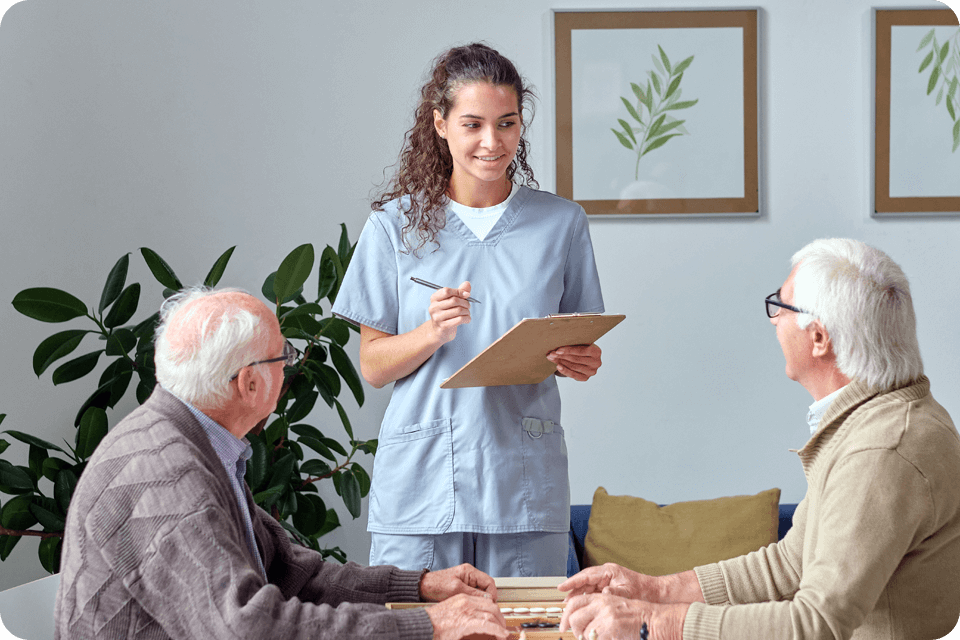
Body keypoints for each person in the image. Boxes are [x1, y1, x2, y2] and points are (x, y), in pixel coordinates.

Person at [558, 238, 960, 640]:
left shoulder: (882, 452)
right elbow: (791, 562)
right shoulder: (877, 421)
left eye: (781, 307)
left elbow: (814, 624)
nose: (773, 320)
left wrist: (655, 622)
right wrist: (654, 590)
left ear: (819, 338)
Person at [54, 288, 508, 640]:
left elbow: (292, 572)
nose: (290, 366)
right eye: (284, 355)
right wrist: (428, 625)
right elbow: (248, 628)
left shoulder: (193, 442)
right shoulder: (168, 473)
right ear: (250, 384)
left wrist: (420, 587)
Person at [331, 42, 605, 577]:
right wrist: (429, 333)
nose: (492, 142)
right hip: (422, 485)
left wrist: (583, 360)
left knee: (533, 633)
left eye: (506, 124)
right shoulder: (394, 226)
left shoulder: (561, 223)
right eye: (473, 124)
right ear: (440, 124)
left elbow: (581, 343)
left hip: (522, 484)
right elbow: (373, 365)